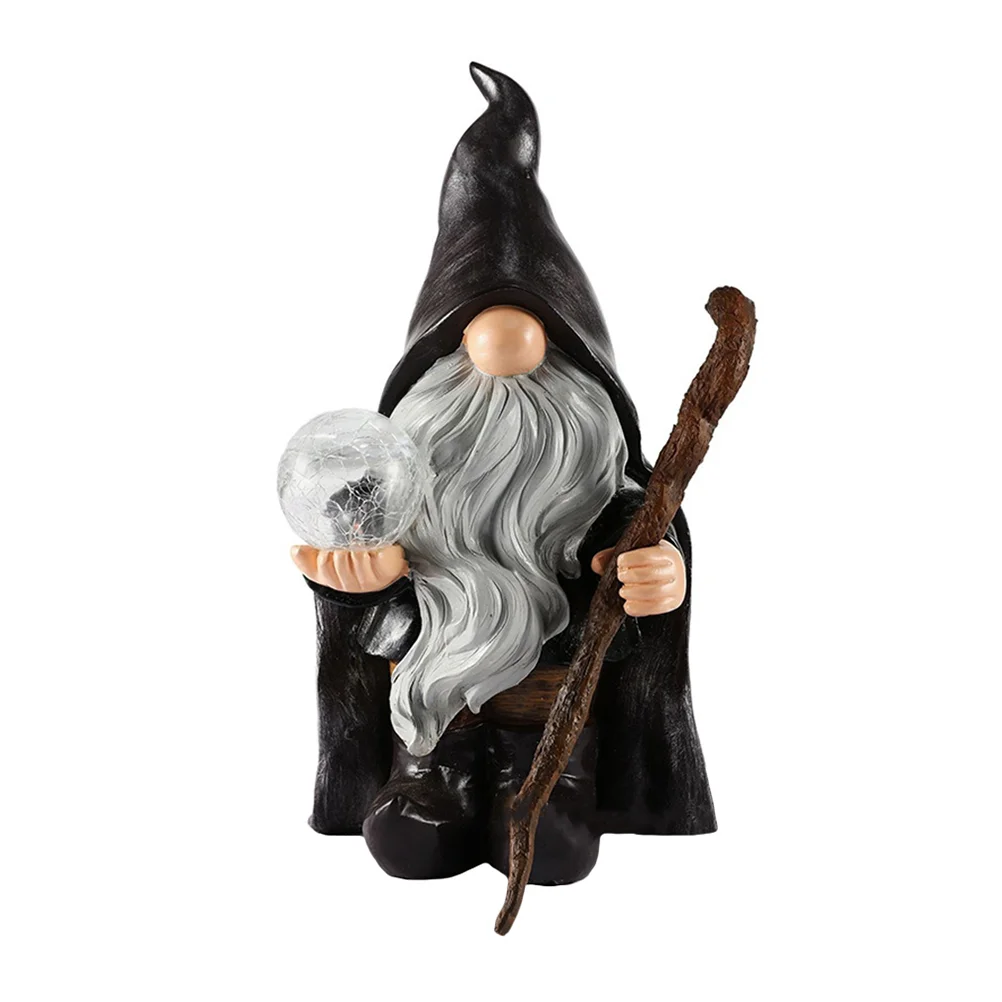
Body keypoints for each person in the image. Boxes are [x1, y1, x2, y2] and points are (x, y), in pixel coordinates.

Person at [290, 63, 715, 884]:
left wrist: (662, 575)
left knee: (553, 846)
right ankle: (432, 781)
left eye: (544, 374)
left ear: (587, 385)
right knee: (408, 841)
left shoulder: (602, 498)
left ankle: (549, 789)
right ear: (426, 382)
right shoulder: (391, 490)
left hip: (554, 723)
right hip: (428, 724)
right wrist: (354, 585)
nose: (503, 404)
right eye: (464, 374)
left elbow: (645, 564)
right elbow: (353, 588)